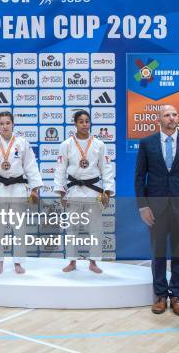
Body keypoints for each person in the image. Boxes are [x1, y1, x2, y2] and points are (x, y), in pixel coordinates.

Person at [135, 104, 179, 316]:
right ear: (159, 119)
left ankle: (176, 295)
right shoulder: (147, 143)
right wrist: (143, 205)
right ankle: (160, 295)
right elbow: (139, 177)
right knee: (157, 253)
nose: (172, 118)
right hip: (155, 208)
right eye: (167, 115)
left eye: (174, 114)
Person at [0, 111, 42, 274]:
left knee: (19, 227)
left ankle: (18, 262)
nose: (5, 126)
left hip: (18, 188)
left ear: (13, 124)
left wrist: (34, 189)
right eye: (1, 123)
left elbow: (30, 166)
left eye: (8, 123)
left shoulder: (22, 143)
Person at [54, 110, 115, 274]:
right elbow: (60, 169)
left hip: (94, 192)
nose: (84, 124)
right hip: (73, 191)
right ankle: (72, 261)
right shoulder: (66, 144)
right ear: (75, 124)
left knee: (94, 228)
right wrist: (61, 191)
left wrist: (108, 191)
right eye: (81, 121)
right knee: (72, 228)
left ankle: (93, 262)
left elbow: (106, 168)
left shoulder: (99, 144)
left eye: (87, 121)